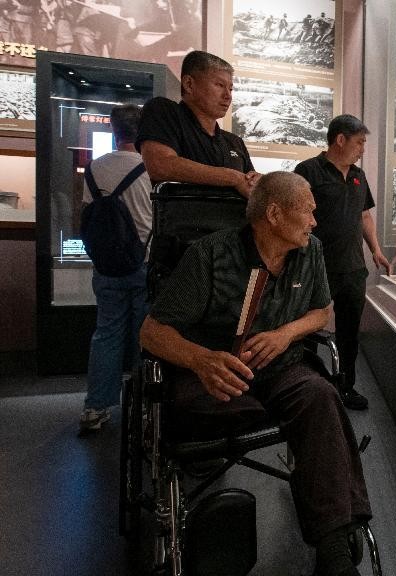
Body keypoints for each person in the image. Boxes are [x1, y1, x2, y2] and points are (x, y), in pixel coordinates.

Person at [140, 171, 371, 576]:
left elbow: (320, 311)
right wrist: (201, 360)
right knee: (201, 413)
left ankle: (333, 548)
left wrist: (285, 335)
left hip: (280, 367)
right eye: (309, 212)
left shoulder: (310, 250)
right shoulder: (210, 256)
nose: (315, 222)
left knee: (321, 398)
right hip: (215, 371)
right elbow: (152, 332)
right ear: (275, 214)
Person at [294, 115, 390, 411]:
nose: (362, 148)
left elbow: (364, 216)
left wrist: (376, 249)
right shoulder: (308, 170)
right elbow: (296, 213)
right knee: (307, 328)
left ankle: (346, 387)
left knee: (349, 332)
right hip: (315, 267)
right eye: (359, 142)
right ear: (340, 139)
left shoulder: (359, 177)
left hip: (352, 269)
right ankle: (305, 386)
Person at [79, 104, 152, 433]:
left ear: (114, 130)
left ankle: (95, 407)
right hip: (144, 263)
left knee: (106, 334)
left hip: (106, 266)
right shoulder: (151, 168)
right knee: (145, 338)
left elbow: (86, 214)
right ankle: (145, 408)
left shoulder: (95, 168)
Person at [136, 50, 260, 197]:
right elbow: (160, 165)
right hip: (182, 219)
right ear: (189, 84)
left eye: (231, 88)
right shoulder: (164, 111)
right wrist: (233, 178)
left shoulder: (234, 142)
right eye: (220, 85)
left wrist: (258, 181)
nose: (228, 96)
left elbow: (251, 188)